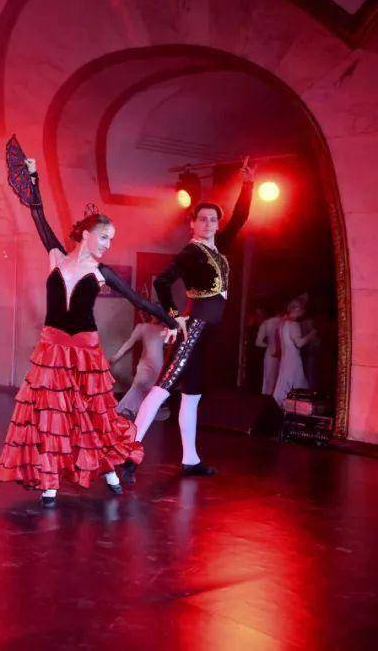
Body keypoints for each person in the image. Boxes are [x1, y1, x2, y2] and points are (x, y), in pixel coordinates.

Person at [0, 154, 178, 507]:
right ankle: (49, 481)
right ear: (87, 234)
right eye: (104, 237)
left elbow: (141, 301)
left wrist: (172, 319)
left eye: (111, 239)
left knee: (91, 414)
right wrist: (34, 178)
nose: (108, 244)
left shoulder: (102, 272)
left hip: (84, 351)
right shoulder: (56, 257)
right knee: (51, 415)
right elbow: (38, 216)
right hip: (52, 350)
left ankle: (107, 469)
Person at [122, 158, 255, 481]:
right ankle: (128, 454)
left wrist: (248, 184)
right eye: (203, 219)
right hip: (193, 328)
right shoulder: (190, 253)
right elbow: (162, 282)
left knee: (192, 394)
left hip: (208, 332)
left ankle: (191, 459)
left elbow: (240, 218)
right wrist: (172, 318)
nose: (209, 224)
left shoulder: (218, 248)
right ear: (192, 223)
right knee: (163, 388)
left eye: (213, 220)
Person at [110, 316, 170, 423]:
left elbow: (168, 344)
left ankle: (147, 411)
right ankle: (131, 409)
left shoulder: (164, 329)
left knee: (152, 388)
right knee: (138, 385)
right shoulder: (143, 327)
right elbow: (129, 343)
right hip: (146, 364)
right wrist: (115, 357)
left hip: (158, 364)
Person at [273, 298, 317, 406]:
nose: (303, 311)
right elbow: (299, 343)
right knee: (298, 387)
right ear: (297, 309)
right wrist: (311, 334)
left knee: (284, 386)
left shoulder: (283, 324)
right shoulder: (293, 324)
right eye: (302, 308)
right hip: (293, 360)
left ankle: (280, 408)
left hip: (285, 360)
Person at [255, 308, 282, 396]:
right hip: (284, 354)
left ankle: (267, 399)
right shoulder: (284, 322)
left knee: (269, 379)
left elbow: (258, 342)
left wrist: (269, 346)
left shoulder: (266, 323)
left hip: (271, 352)